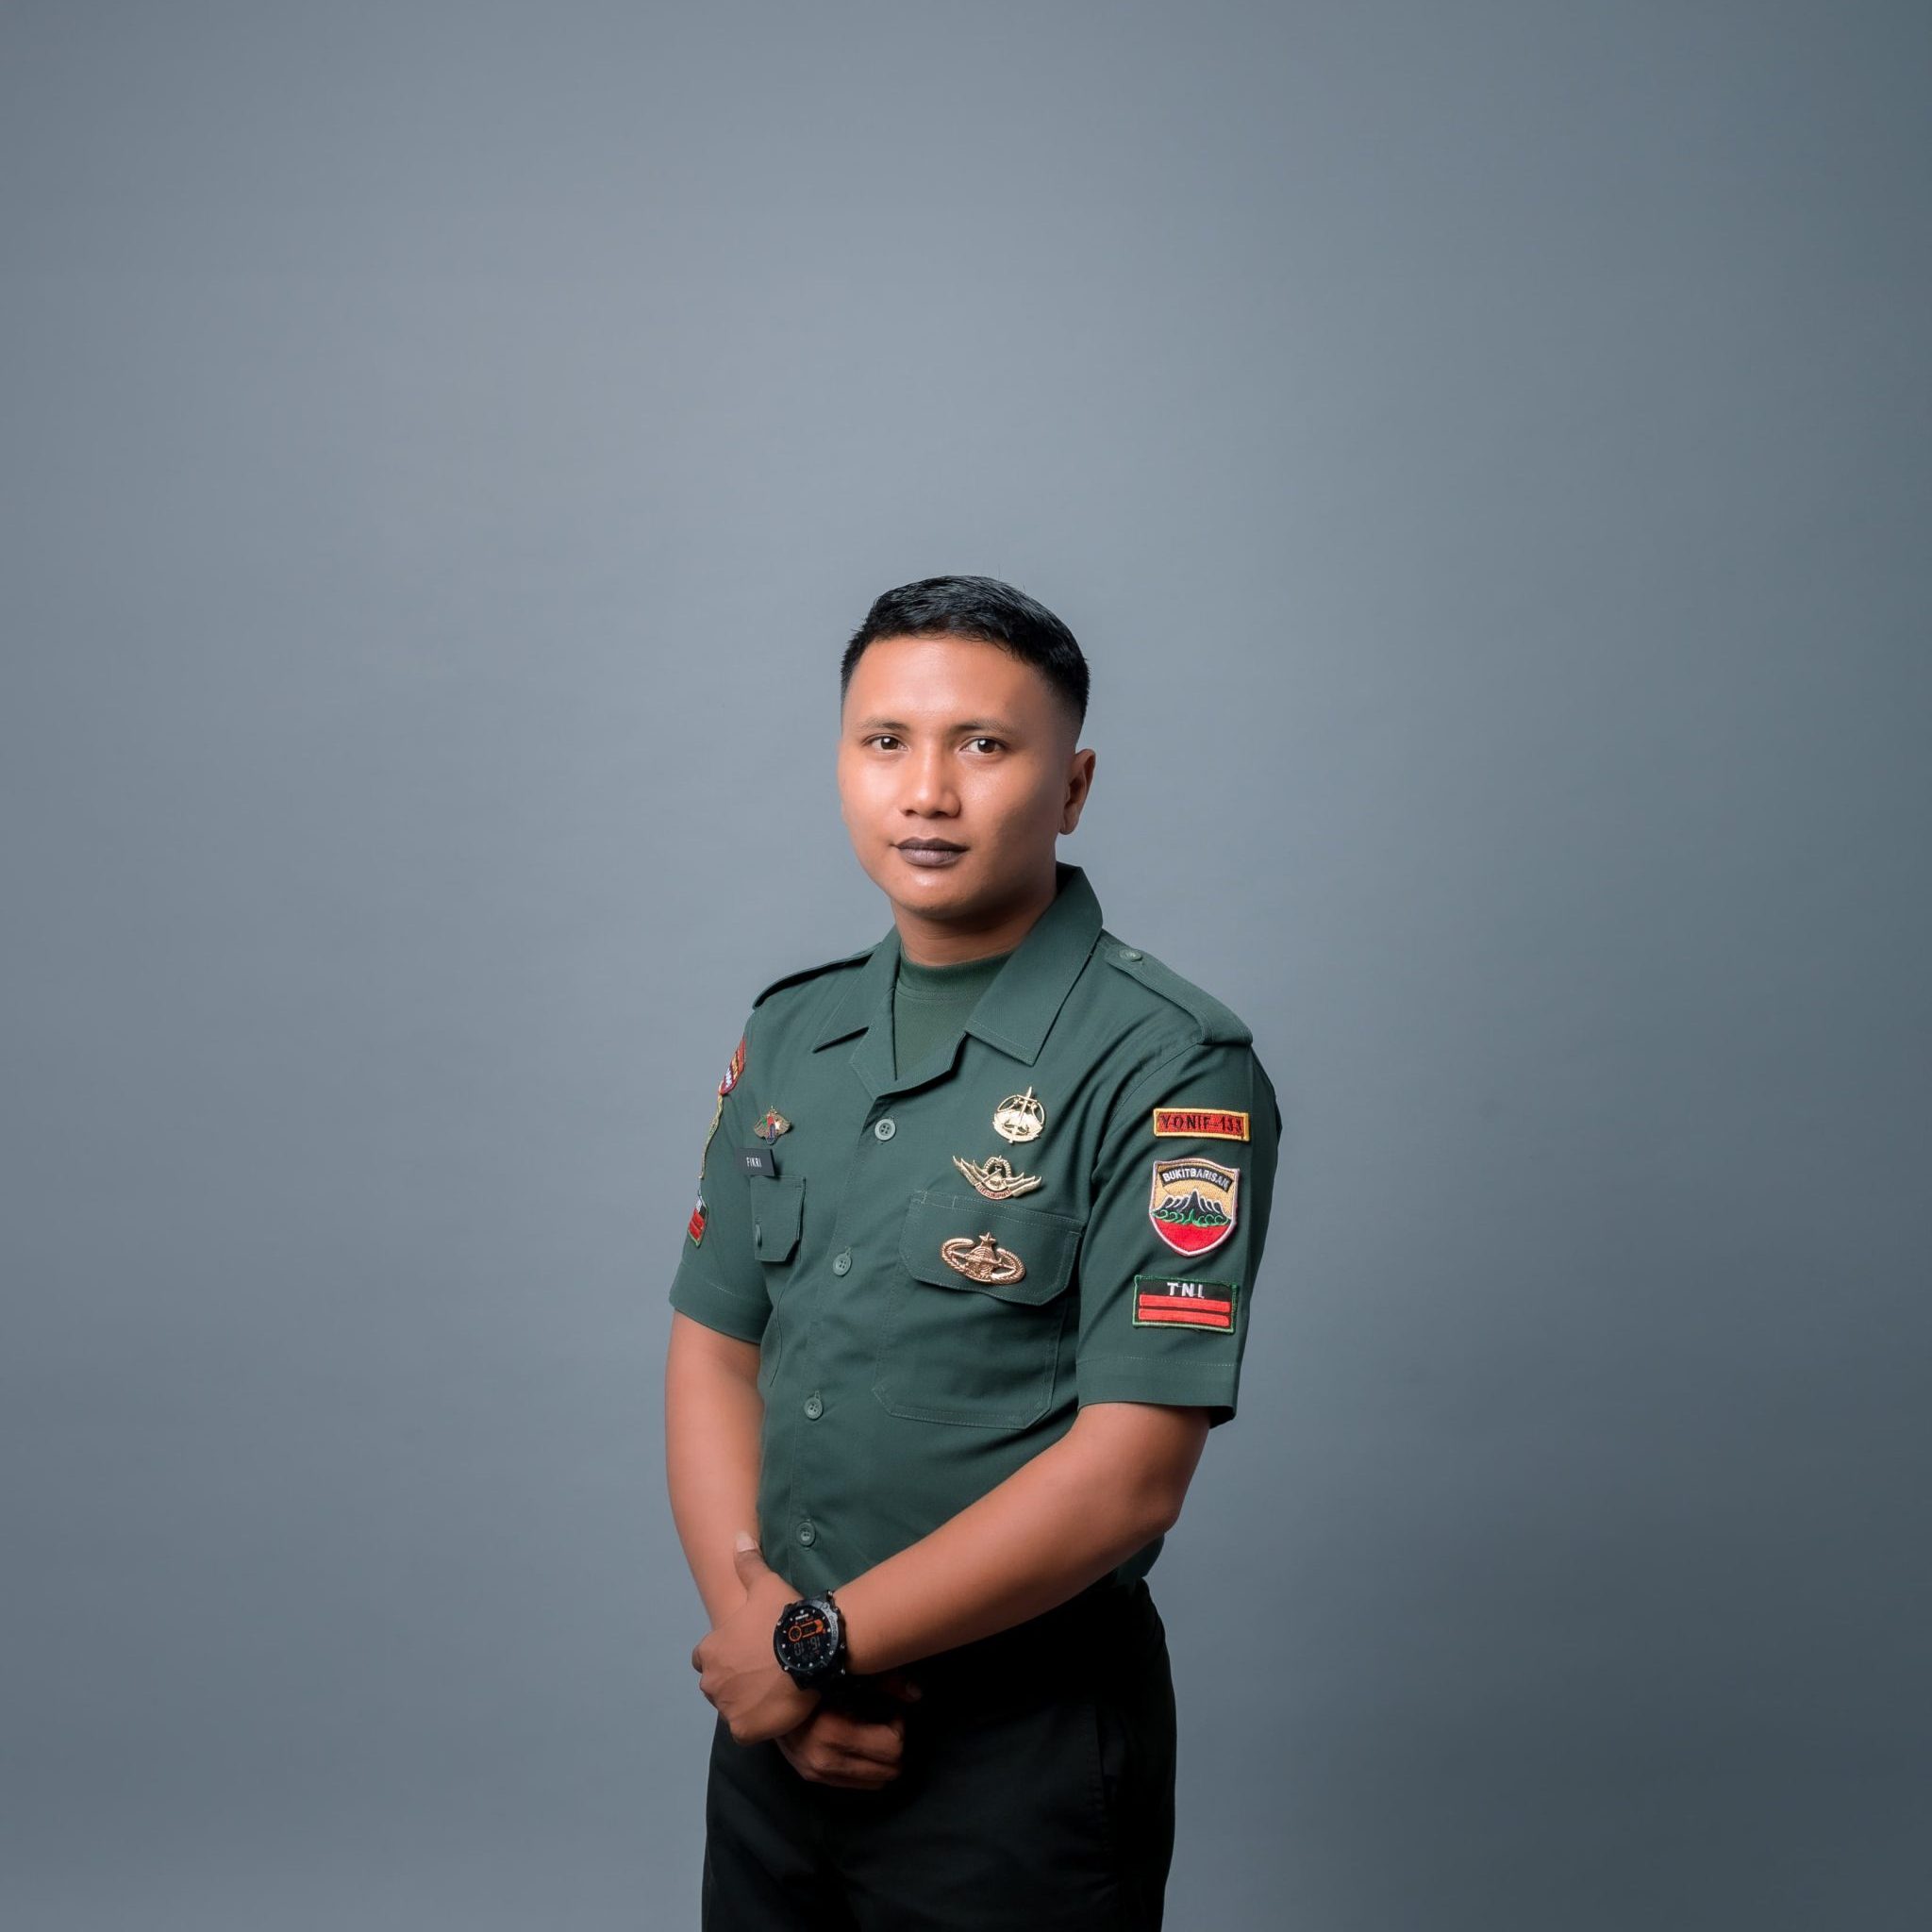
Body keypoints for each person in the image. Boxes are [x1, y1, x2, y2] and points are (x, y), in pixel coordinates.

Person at [665, 575, 1281, 1929]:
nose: (927, 791)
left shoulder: (1169, 1065)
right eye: (885, 741)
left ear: (1073, 787)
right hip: (778, 1736)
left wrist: (816, 1646)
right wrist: (765, 1646)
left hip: (1018, 1757)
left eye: (984, 745)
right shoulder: (791, 1035)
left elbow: (1132, 1477)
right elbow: (715, 1351)